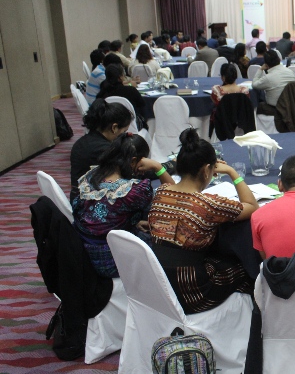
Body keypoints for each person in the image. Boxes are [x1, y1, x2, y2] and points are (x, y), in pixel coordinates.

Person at [149, 128, 259, 314]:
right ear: (207, 170)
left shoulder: (161, 193)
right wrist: (233, 173)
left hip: (158, 284)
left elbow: (169, 184)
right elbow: (251, 206)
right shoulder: (207, 204)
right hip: (191, 291)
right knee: (246, 269)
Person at [73, 133, 173, 278]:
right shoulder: (134, 191)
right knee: (171, 241)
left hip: (83, 250)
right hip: (109, 259)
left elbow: (105, 213)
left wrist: (131, 222)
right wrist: (158, 167)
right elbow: (175, 196)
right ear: (133, 161)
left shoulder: (93, 174)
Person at [69, 99, 132, 201]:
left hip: (81, 197)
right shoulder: (105, 149)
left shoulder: (83, 141)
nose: (125, 135)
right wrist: (162, 167)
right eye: (124, 131)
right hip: (89, 204)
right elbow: (130, 171)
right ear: (114, 128)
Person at [252, 50, 295, 115]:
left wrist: (260, 69)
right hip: (292, 106)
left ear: (266, 64)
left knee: (258, 105)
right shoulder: (290, 71)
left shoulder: (268, 78)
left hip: (276, 109)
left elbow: (254, 84)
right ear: (279, 59)